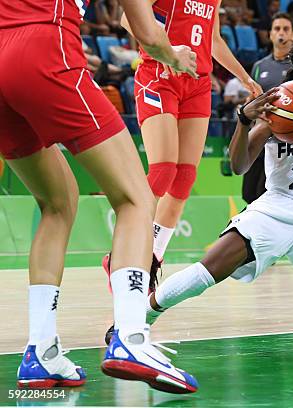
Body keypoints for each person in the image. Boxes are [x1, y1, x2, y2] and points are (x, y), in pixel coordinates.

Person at [110, 30, 293, 363]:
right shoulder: (280, 102)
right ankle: (139, 317)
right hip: (273, 212)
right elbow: (238, 166)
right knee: (207, 270)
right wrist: (243, 120)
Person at [0, 0, 201, 393]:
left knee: (58, 204)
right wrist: (173, 55)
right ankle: (132, 338)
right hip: (45, 45)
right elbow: (147, 32)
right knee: (136, 200)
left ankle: (41, 349)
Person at [102, 0, 262, 285]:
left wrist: (245, 78)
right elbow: (129, 19)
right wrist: (166, 52)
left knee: (184, 177)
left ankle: (152, 259)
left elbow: (213, 40)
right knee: (163, 169)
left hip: (198, 83)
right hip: (159, 74)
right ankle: (125, 254)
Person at [242, 13, 293, 204]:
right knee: (249, 194)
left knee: (267, 194)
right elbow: (252, 99)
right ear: (271, 35)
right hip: (258, 138)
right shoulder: (259, 66)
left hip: (283, 142)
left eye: (286, 29)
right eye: (277, 29)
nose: (281, 33)